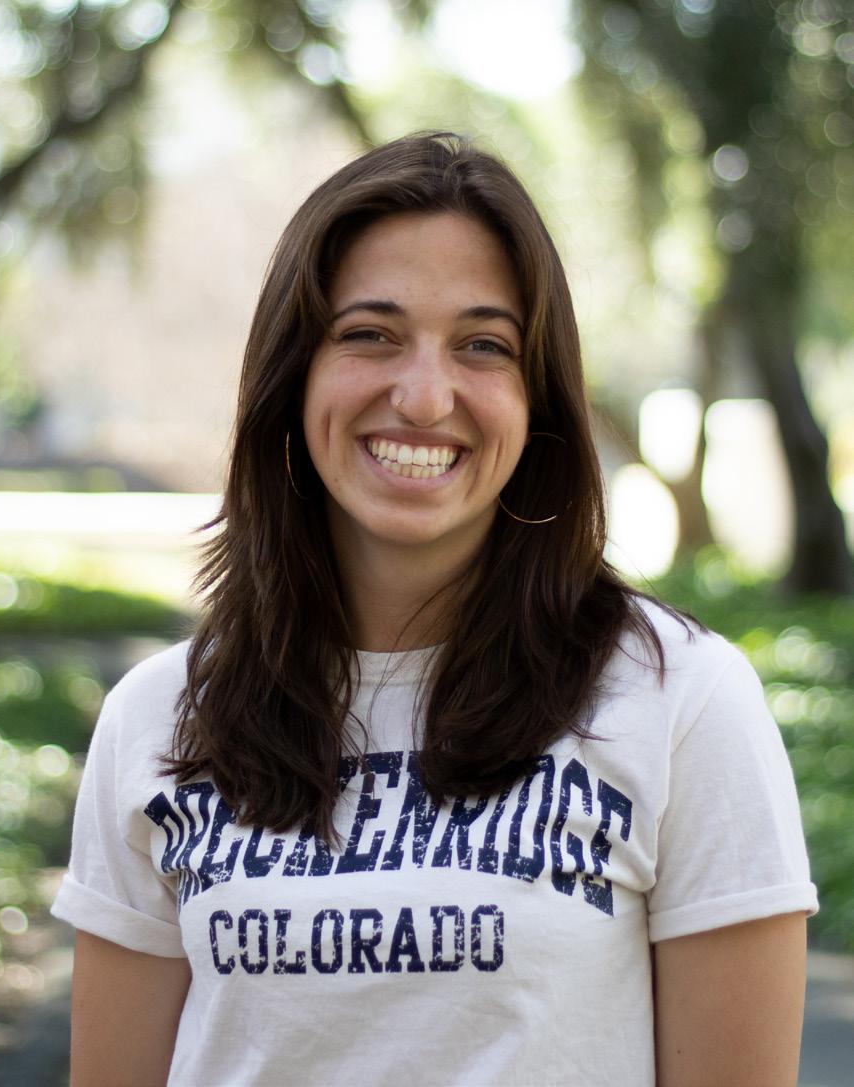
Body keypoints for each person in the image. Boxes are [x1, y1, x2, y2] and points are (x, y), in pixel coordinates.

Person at [52, 132, 817, 1087]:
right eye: (369, 334)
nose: (422, 397)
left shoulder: (682, 700)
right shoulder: (162, 716)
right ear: (296, 374)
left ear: (537, 401)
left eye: (483, 345)